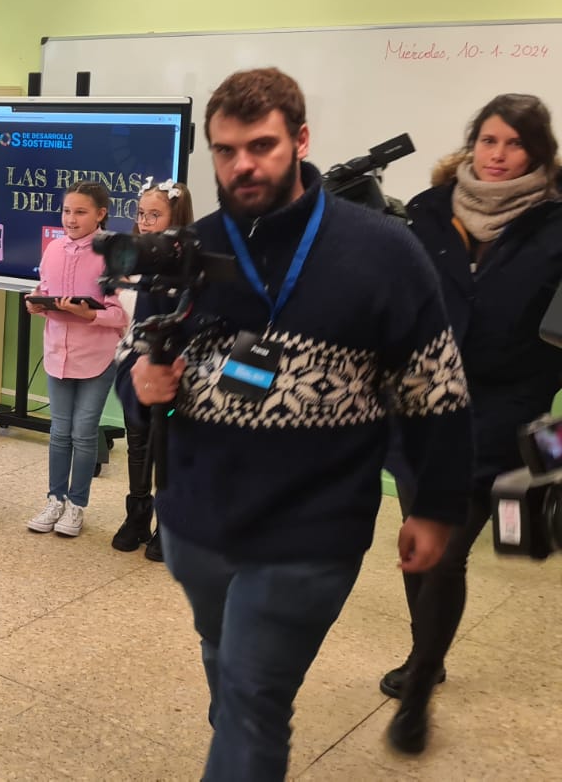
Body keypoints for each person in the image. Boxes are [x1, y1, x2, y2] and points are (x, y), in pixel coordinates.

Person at [122, 68, 472, 780]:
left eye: (261, 146)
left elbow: (435, 392)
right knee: (230, 675)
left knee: (253, 697)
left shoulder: (382, 252)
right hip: (198, 524)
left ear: (301, 140)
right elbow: (143, 378)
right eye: (224, 151)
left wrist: (435, 509)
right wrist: (146, 382)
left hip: (309, 530)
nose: (241, 164)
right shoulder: (191, 247)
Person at [380, 93, 562, 753]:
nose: (498, 155)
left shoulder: (556, 226)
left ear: (537, 153)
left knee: (448, 552)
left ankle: (421, 685)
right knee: (415, 548)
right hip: (419, 408)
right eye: (489, 140)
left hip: (502, 416)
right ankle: (424, 650)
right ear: (473, 142)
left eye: (515, 144)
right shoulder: (427, 214)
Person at [24, 181, 128, 539]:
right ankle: (55, 498)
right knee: (59, 432)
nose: (71, 218)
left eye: (80, 212)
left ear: (100, 214)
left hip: (96, 357)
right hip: (57, 353)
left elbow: (121, 315)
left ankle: (76, 506)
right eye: (67, 211)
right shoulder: (53, 249)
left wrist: (89, 316)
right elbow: (45, 290)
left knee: (84, 434)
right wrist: (37, 301)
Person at [110, 178, 195, 559]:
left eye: (155, 215)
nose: (145, 223)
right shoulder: (133, 259)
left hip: (172, 368)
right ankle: (136, 514)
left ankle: (168, 523)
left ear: (176, 218)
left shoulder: (187, 265)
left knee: (169, 447)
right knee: (138, 442)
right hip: (135, 362)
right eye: (141, 214)